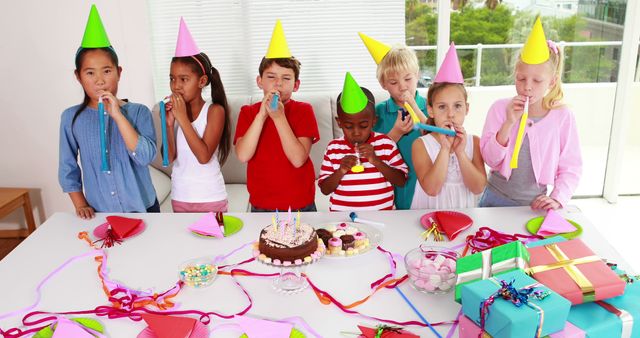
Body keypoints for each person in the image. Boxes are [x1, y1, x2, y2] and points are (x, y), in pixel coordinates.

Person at [59, 5, 158, 219]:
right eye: (90, 73)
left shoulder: (139, 112)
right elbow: (67, 167)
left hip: (144, 207)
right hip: (101, 211)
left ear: (118, 72)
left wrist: (118, 116)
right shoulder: (71, 118)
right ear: (78, 76)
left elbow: (145, 157)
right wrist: (79, 203)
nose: (100, 80)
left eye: (107, 71)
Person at [479, 18, 582, 210]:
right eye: (521, 78)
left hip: (534, 206)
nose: (527, 87)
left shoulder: (563, 116)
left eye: (537, 81)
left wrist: (558, 198)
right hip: (493, 198)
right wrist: (508, 123)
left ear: (551, 82)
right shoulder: (499, 109)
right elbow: (490, 159)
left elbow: (571, 166)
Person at [234, 20, 319, 212]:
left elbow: (298, 159)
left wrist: (279, 118)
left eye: (286, 78)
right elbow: (243, 154)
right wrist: (261, 116)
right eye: (271, 77)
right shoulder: (247, 113)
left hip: (299, 204)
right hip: (261, 204)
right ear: (259, 81)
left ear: (296, 85)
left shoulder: (304, 110)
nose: (278, 84)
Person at [162, 18, 231, 213]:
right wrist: (168, 125)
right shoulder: (174, 113)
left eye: (184, 79)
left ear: (201, 81)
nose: (176, 85)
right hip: (180, 196)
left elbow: (203, 156)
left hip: (210, 197)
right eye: (172, 79)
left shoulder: (215, 111)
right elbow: (169, 158)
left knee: (215, 243)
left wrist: (182, 119)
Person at [411, 43, 486, 209]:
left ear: (467, 108)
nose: (451, 114)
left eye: (457, 106)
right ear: (430, 110)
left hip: (464, 216)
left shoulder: (474, 143)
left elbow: (478, 187)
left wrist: (460, 153)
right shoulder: (421, 145)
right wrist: (444, 149)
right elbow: (432, 189)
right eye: (442, 107)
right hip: (428, 219)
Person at [318, 73, 408, 211]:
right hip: (343, 218)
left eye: (363, 125)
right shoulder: (333, 148)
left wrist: (376, 161)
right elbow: (324, 189)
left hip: (382, 217)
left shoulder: (386, 144)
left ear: (374, 121)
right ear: (339, 123)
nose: (356, 132)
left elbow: (401, 181)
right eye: (348, 126)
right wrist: (341, 170)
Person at [359, 33, 429, 210]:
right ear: (383, 84)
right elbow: (369, 155)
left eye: (408, 79)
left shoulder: (431, 107)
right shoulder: (378, 113)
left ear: (417, 75)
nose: (403, 86)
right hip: (390, 189)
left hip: (424, 185)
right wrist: (394, 134)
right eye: (393, 82)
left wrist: (413, 106)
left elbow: (437, 137)